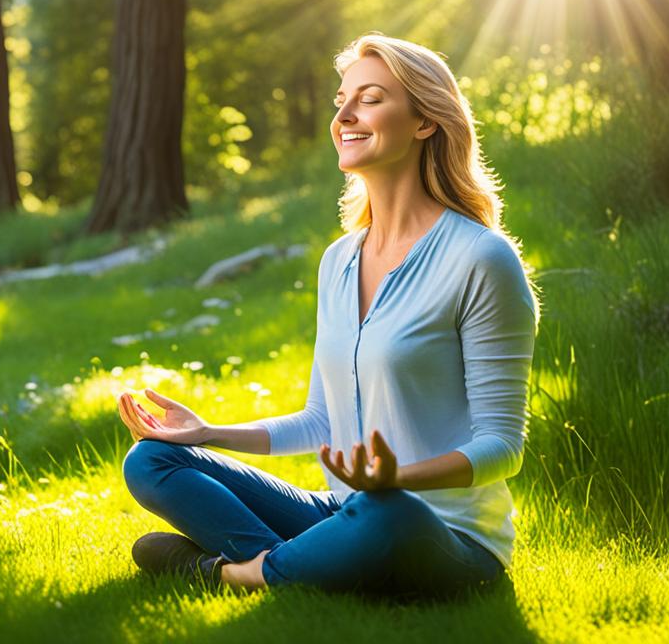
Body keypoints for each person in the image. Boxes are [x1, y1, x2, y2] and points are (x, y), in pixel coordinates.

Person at [117, 32, 540, 597]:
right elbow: (320, 421)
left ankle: (230, 573)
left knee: (389, 513)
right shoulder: (339, 261)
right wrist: (207, 432)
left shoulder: (480, 258)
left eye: (369, 98)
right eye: (341, 99)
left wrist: (396, 480)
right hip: (344, 511)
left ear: (425, 121)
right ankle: (304, 566)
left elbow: (502, 447)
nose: (344, 115)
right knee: (153, 460)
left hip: (439, 533)